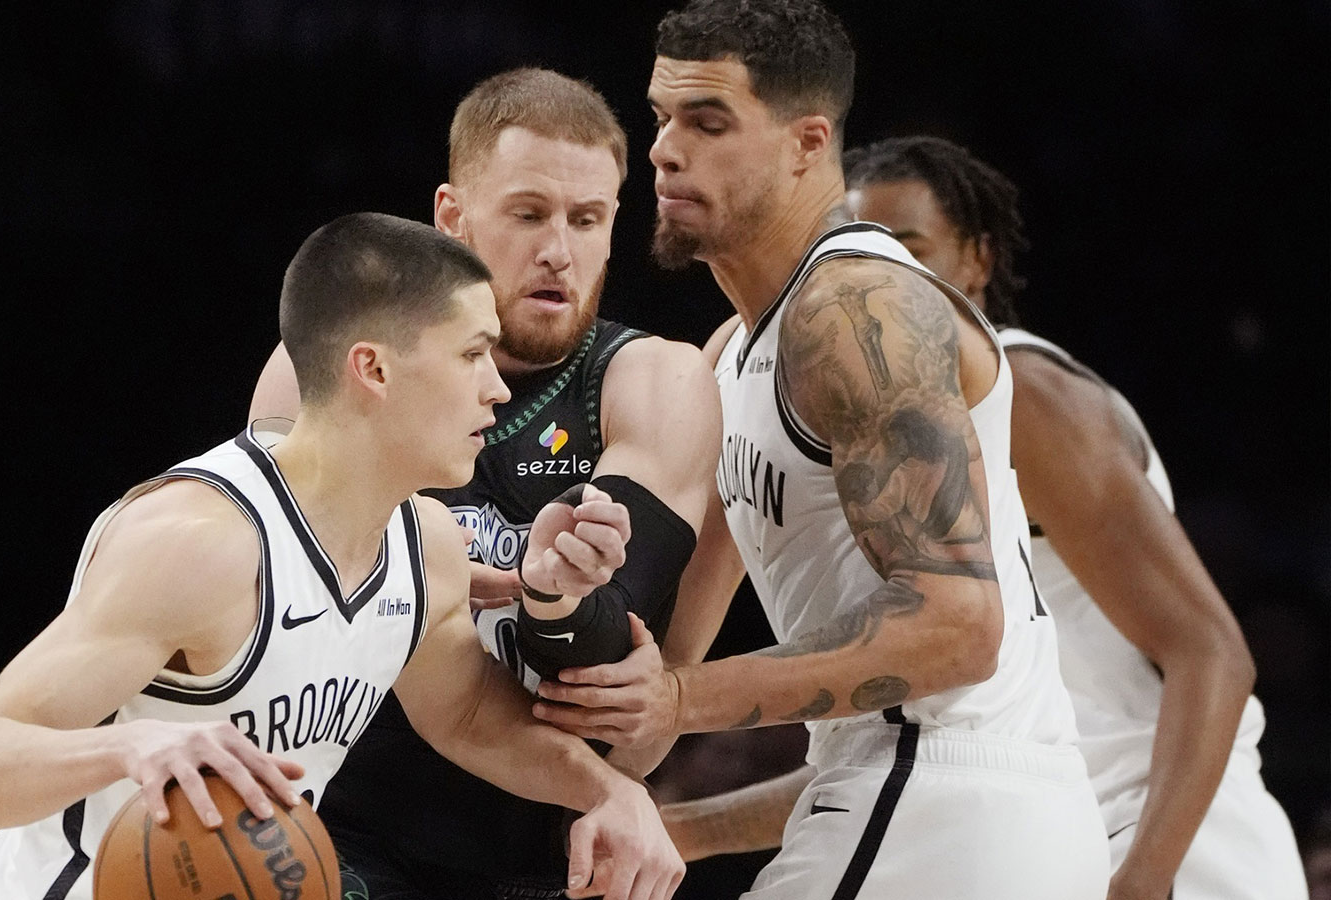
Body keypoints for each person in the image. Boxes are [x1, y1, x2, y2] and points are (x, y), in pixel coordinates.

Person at [0, 212, 685, 900]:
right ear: (373, 369)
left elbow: (473, 719)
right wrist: (129, 745)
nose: (497, 390)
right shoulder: (199, 544)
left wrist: (611, 792)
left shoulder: (425, 545)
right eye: (472, 354)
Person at [529, 3, 1110, 898]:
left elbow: (959, 627)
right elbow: (668, 662)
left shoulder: (858, 309)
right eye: (661, 117)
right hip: (913, 796)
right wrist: (588, 782)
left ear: (807, 143)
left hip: (946, 797)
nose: (664, 151)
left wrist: (675, 701)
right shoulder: (731, 353)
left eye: (708, 122)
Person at [247, 68, 722, 899]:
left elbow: (597, 683)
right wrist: (419, 574)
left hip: (548, 844)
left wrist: (554, 597)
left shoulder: (656, 381)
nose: (558, 250)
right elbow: (273, 614)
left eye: (587, 219)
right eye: (529, 214)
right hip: (342, 824)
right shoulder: (332, 366)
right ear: (452, 217)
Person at [845, 135, 1307, 900]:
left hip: (1168, 843)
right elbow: (885, 760)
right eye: (855, 254)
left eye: (909, 250)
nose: (878, 277)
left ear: (979, 260)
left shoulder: (1025, 394)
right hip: (1045, 841)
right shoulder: (884, 448)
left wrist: (1144, 879)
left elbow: (1212, 653)